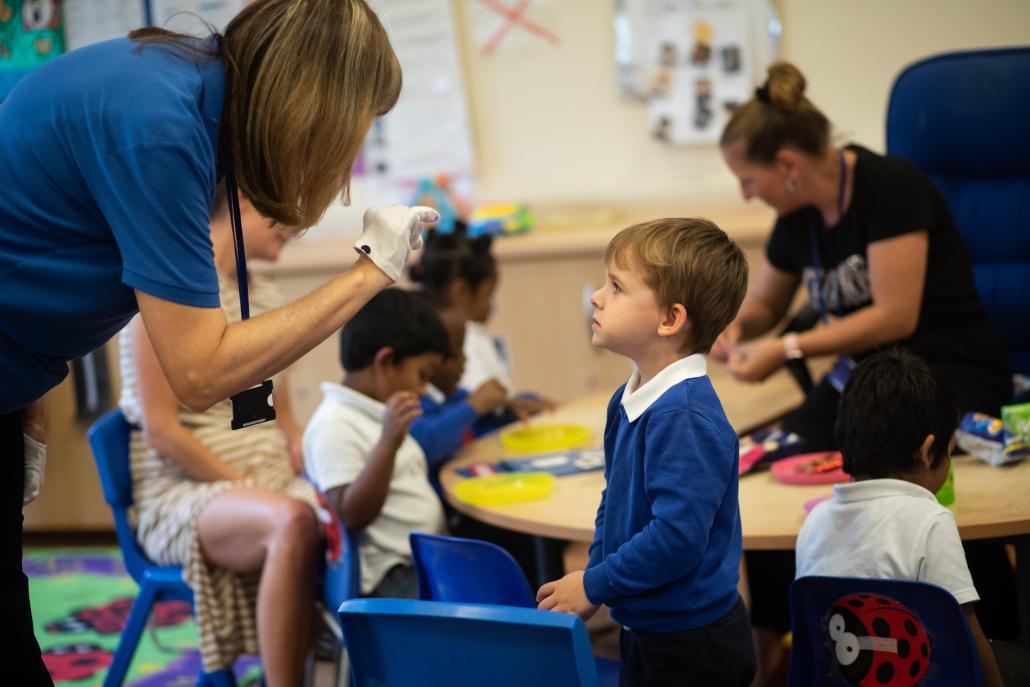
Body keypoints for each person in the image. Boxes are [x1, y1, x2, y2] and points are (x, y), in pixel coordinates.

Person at [0, 1, 434, 681]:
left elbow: (34, 250)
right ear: (314, 103)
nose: (346, 161)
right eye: (351, 132)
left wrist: (24, 398)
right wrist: (370, 273)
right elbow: (199, 374)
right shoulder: (161, 124)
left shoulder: (189, 110)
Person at [714, 61, 1017, 665]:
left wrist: (789, 348)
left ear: (789, 167)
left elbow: (895, 315)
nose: (746, 194)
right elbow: (770, 301)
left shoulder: (891, 187)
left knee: (924, 488)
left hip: (940, 374)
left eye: (749, 180)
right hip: (862, 382)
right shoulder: (796, 217)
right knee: (763, 461)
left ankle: (999, 635)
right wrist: (734, 328)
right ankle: (780, 633)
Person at [536, 219, 756, 686]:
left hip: (692, 641)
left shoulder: (684, 417)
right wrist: (595, 576)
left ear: (670, 319)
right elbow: (612, 503)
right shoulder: (628, 398)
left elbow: (676, 539)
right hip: (646, 622)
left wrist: (594, 583)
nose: (596, 297)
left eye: (616, 287)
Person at [118, 192, 320, 681]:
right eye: (283, 204)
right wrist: (243, 484)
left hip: (261, 478)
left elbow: (273, 415)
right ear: (244, 201)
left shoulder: (262, 297)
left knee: (350, 507)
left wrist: (303, 448)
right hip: (186, 491)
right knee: (291, 520)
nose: (297, 219)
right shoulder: (168, 297)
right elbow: (163, 433)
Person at [796, 349, 1003, 687]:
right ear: (927, 450)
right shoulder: (930, 520)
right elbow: (967, 640)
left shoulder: (814, 523)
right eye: (949, 453)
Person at [303, 289, 450, 599]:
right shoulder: (334, 424)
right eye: (422, 375)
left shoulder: (375, 414)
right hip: (391, 580)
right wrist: (387, 444)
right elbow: (351, 514)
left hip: (422, 561)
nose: (424, 389)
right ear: (385, 362)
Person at [410, 224, 554, 422]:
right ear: (460, 291)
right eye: (489, 294)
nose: (493, 305)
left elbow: (491, 404)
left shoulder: (468, 336)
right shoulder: (464, 339)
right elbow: (479, 408)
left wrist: (521, 402)